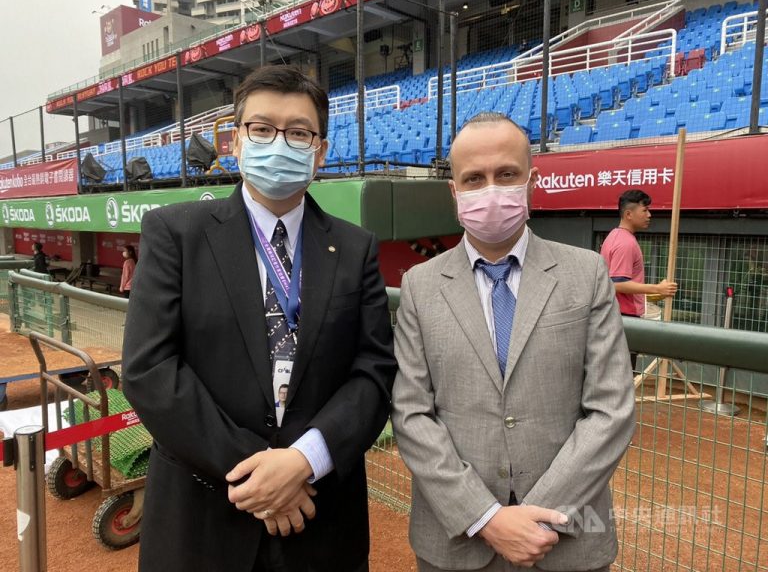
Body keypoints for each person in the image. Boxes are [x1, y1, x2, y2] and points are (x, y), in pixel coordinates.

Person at [122, 65, 396, 572]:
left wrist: (304, 460)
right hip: (202, 523)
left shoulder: (354, 248)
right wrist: (259, 475)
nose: (279, 143)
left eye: (298, 133)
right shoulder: (174, 234)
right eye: (262, 128)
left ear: (320, 150)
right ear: (236, 141)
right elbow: (149, 369)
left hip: (321, 525)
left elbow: (374, 371)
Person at [391, 112, 636, 572]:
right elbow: (411, 413)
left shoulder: (585, 274)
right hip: (456, 543)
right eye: (474, 178)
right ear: (454, 191)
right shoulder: (420, 286)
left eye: (506, 174)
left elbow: (611, 409)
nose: (490, 189)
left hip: (565, 541)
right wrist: (485, 517)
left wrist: (537, 517)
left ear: (531, 181)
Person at [600, 189, 678, 369]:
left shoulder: (613, 236)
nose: (649, 215)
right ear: (629, 214)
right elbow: (617, 283)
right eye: (645, 210)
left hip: (613, 315)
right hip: (623, 318)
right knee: (623, 373)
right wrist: (657, 289)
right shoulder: (626, 243)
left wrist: (652, 294)